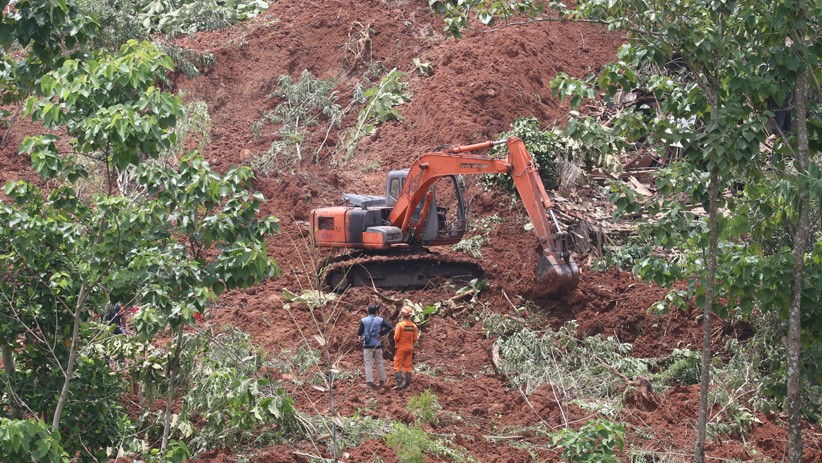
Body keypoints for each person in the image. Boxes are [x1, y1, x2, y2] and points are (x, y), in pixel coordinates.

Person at [357, 303, 394, 389]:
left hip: (367, 346)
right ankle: (382, 382)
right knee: (380, 364)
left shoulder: (364, 320)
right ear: (376, 312)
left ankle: (369, 383)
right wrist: (380, 333)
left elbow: (359, 333)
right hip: (377, 345)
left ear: (368, 311)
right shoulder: (380, 320)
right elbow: (390, 327)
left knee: (368, 364)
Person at [392, 306, 419, 390]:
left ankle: (399, 383)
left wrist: (398, 343)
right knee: (408, 366)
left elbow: (396, 337)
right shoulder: (414, 326)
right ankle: (407, 384)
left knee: (397, 365)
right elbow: (415, 339)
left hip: (401, 348)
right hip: (410, 348)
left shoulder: (400, 325)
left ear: (402, 314)